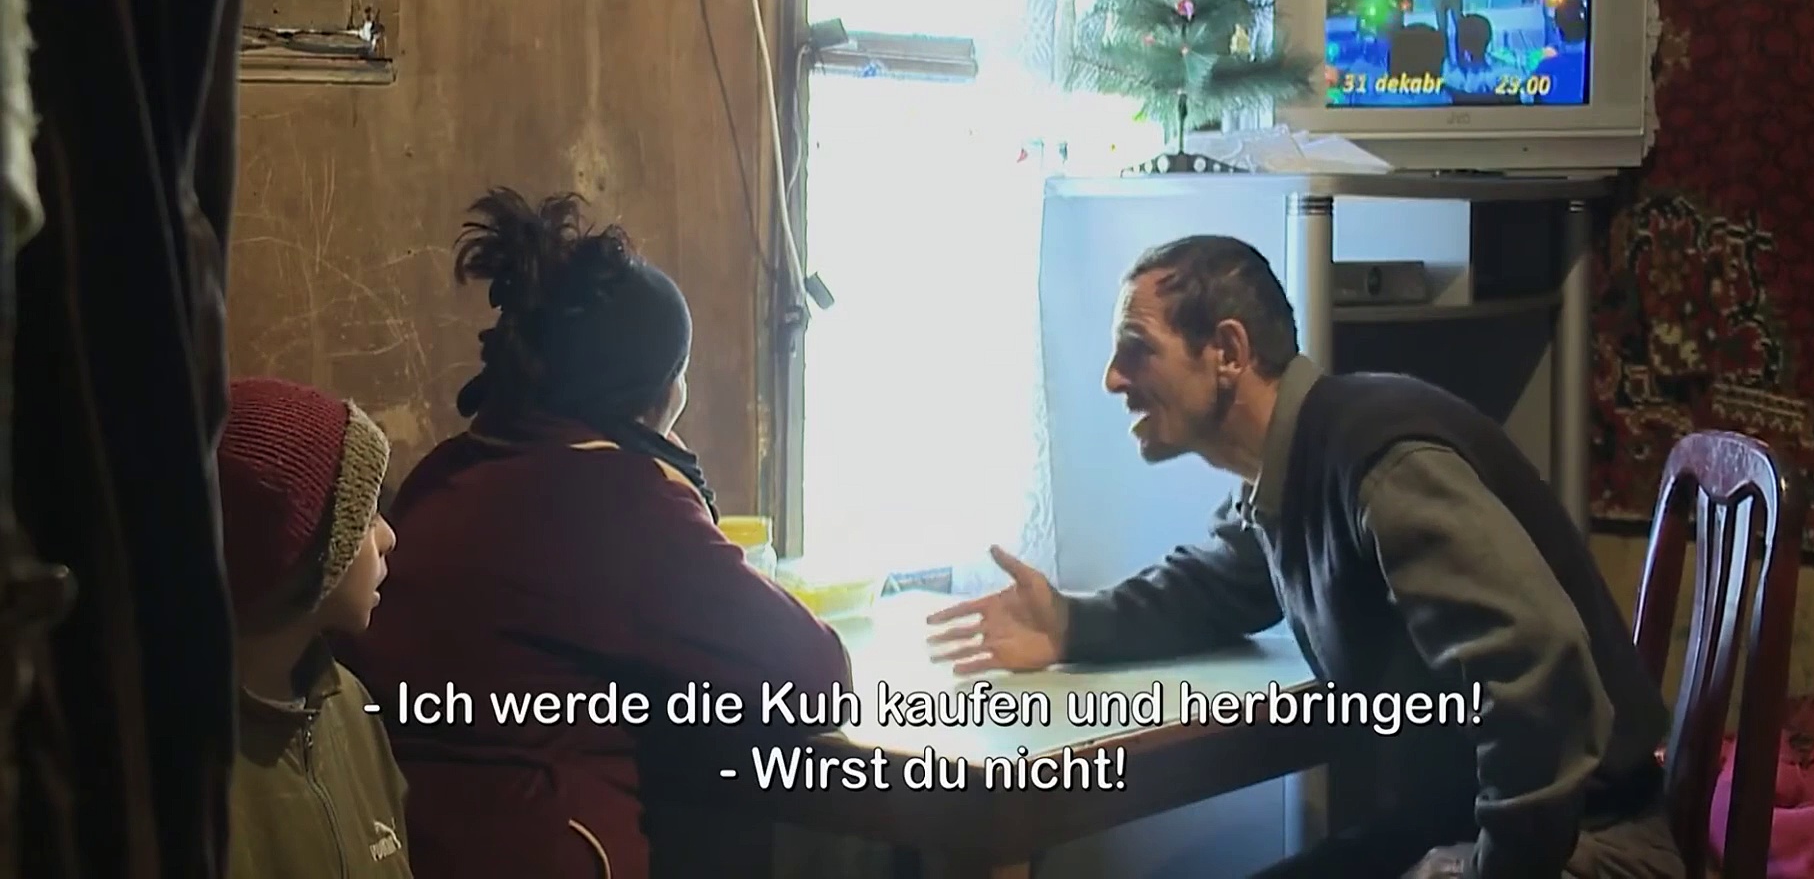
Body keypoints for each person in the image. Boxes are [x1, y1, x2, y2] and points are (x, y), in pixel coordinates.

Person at [925, 236, 1684, 879]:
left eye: (1137, 350)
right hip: (1457, 831)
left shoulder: (1378, 464)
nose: (1113, 379)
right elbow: (1211, 585)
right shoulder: (1294, 470)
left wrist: (1494, 868)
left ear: (1228, 352)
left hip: (1590, 843)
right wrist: (1071, 624)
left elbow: (1539, 672)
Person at [344, 188, 852, 879]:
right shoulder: (619, 498)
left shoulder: (445, 469)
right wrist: (675, 489)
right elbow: (817, 679)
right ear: (656, 396)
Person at [218, 377, 412, 878]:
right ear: (304, 555)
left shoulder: (348, 704)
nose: (389, 537)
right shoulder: (193, 762)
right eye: (366, 516)